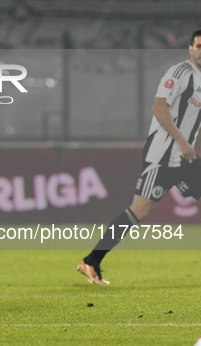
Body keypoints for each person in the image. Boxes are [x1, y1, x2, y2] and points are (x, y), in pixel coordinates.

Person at [78, 29, 201, 285]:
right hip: (164, 156)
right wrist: (181, 141)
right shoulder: (181, 73)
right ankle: (91, 261)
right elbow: (159, 107)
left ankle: (91, 261)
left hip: (186, 159)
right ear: (190, 49)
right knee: (140, 211)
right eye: (198, 46)